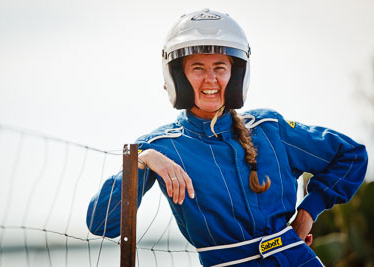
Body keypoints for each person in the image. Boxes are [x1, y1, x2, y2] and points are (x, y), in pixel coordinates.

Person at [86, 9, 368, 266]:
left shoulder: (270, 129)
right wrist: (142, 160)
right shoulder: (161, 147)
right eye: (197, 68)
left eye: (220, 67)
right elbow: (102, 223)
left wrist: (308, 213)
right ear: (179, 77)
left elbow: (351, 155)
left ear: (235, 74)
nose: (210, 79)